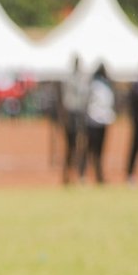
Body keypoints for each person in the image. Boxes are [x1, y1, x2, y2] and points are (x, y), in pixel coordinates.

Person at [82, 63, 115, 185]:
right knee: (89, 148)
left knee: (100, 150)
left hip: (103, 120)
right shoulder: (93, 85)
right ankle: (83, 174)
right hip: (92, 120)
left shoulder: (107, 85)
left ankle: (98, 174)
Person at [58, 56, 88, 185]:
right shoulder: (69, 79)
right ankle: (68, 174)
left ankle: (81, 174)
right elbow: (65, 100)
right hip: (71, 114)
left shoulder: (83, 79)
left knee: (82, 146)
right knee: (70, 147)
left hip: (80, 114)